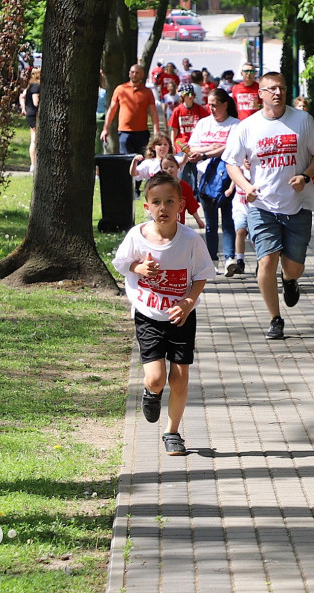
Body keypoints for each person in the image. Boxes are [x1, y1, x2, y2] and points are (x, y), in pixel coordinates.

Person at [112, 172, 216, 456]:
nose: (163, 208)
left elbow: (202, 274)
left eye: (170, 201)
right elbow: (120, 263)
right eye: (156, 202)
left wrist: (188, 302)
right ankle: (151, 392)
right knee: (156, 378)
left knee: (180, 378)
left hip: (181, 316)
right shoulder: (137, 236)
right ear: (147, 207)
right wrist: (138, 268)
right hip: (148, 314)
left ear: (181, 205)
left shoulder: (190, 240)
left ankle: (172, 433)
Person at [222, 71, 314, 340]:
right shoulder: (247, 126)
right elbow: (231, 162)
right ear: (260, 94)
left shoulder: (302, 120)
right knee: (266, 261)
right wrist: (246, 186)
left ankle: (290, 281)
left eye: (281, 88)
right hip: (262, 205)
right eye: (271, 89)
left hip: (297, 204)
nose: (277, 93)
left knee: (294, 268)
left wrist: (305, 176)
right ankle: (275, 319)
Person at [188, 88, 240, 275]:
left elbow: (230, 147)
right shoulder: (203, 123)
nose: (210, 109)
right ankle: (212, 260)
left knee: (228, 219)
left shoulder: (235, 125)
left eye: (214, 105)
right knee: (210, 223)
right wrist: (209, 148)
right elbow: (192, 146)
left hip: (227, 178)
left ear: (225, 105)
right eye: (208, 105)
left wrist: (205, 154)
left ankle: (230, 258)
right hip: (205, 178)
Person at [101, 64, 161, 156]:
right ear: (129, 74)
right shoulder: (120, 89)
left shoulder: (147, 92)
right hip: (124, 132)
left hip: (142, 133)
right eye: (132, 72)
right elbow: (111, 110)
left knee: (142, 159)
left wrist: (156, 130)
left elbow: (153, 113)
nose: (134, 74)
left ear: (142, 75)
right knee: (125, 159)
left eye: (137, 73)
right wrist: (105, 129)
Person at [159, 154, 206, 229]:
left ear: (178, 166)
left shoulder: (185, 187)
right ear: (162, 170)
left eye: (172, 166)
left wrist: (198, 220)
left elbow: (191, 205)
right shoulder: (159, 187)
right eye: (166, 168)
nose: (169, 169)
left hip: (179, 224)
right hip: (162, 223)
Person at [21, 68, 41, 172]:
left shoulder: (30, 86)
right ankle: (34, 164)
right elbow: (36, 102)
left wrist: (23, 108)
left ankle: (33, 164)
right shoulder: (36, 87)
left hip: (30, 114)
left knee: (33, 139)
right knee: (35, 140)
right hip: (34, 115)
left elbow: (22, 96)